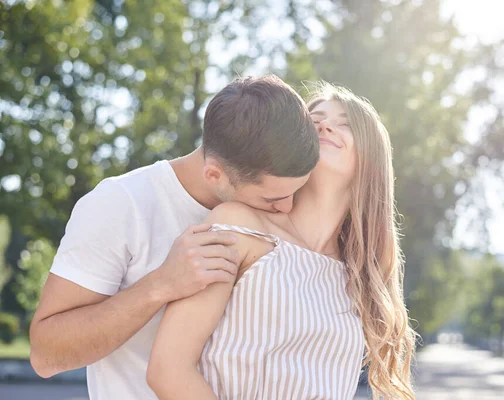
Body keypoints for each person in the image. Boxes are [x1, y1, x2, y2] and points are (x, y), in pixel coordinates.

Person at [29, 75, 320, 400]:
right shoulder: (121, 203)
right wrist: (161, 285)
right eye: (271, 199)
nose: (288, 208)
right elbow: (45, 354)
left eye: (297, 191)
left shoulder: (279, 211)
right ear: (214, 174)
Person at [147, 83, 416, 400]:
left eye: (345, 123)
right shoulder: (239, 225)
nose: (324, 126)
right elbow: (168, 369)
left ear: (371, 159)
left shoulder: (357, 276)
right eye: (313, 121)